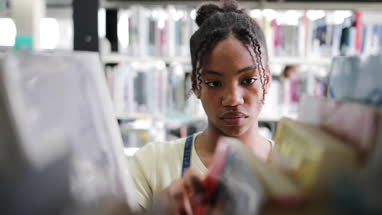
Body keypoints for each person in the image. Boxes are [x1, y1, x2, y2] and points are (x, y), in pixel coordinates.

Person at [127, 0, 273, 213]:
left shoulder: (300, 172)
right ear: (196, 86)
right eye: (214, 83)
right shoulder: (151, 165)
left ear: (266, 81)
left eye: (248, 80)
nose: (233, 99)